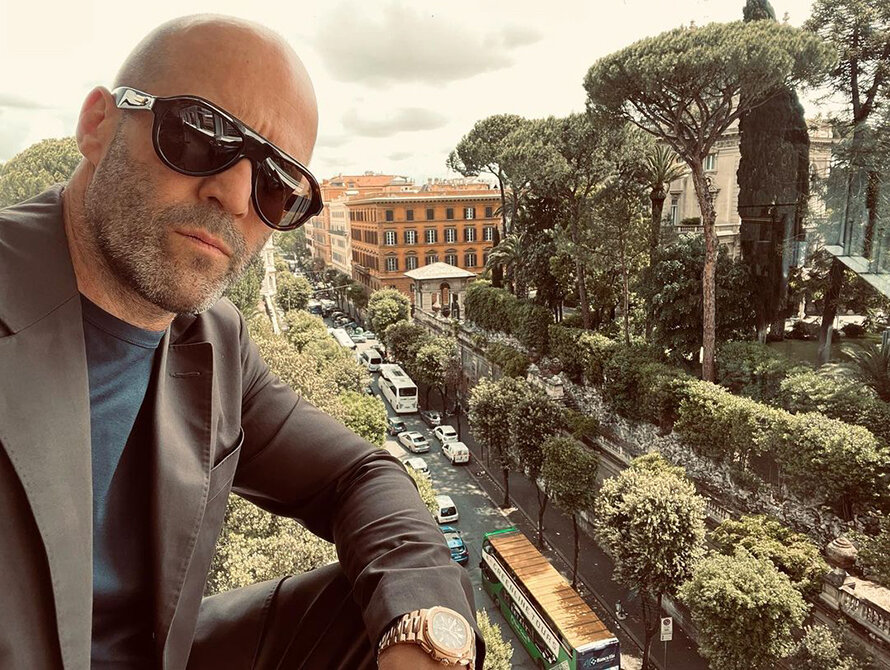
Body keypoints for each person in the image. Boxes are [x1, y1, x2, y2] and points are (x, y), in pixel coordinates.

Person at [0, 14, 483, 670]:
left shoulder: (212, 339)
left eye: (277, 184)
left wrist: (427, 636)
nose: (233, 195)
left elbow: (358, 475)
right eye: (199, 135)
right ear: (97, 125)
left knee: (393, 608)